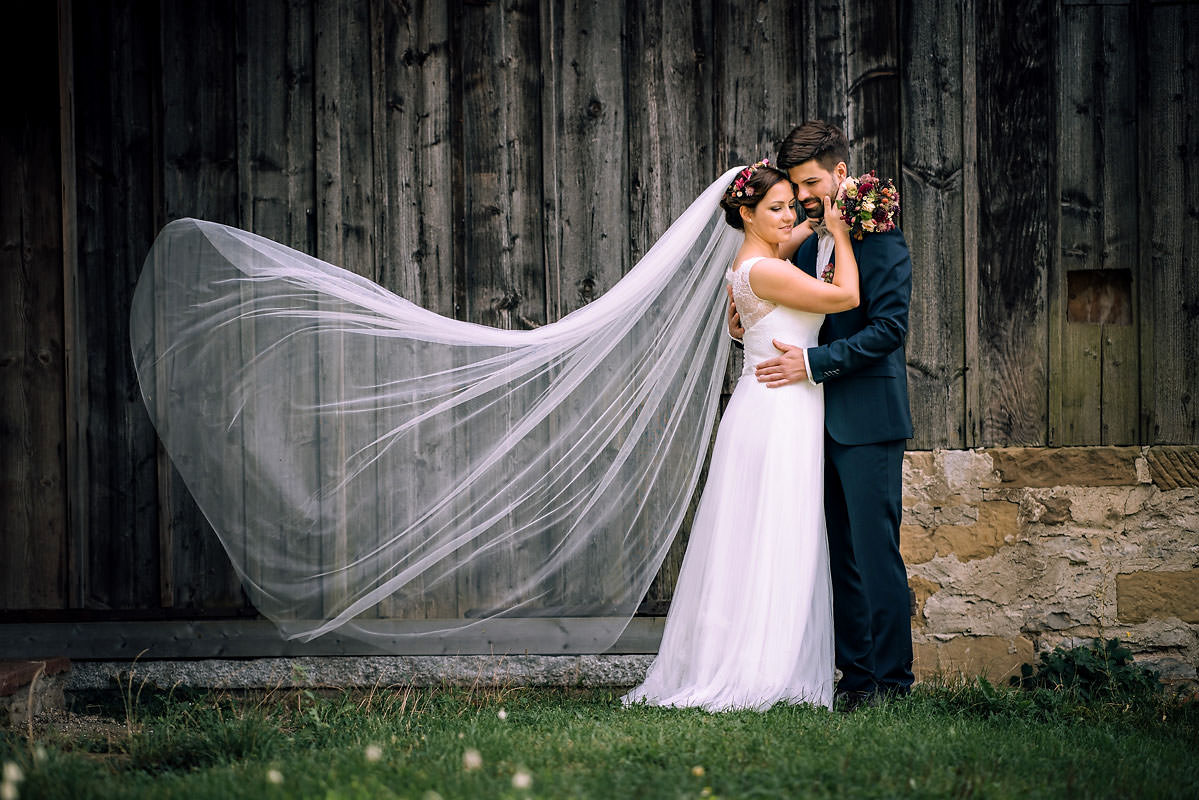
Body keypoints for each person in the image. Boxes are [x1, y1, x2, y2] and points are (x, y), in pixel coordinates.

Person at [623, 158, 862, 712]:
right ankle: (757, 669)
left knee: (765, 536)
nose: (788, 216)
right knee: (771, 535)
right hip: (777, 413)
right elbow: (846, 297)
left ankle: (765, 659)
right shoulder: (765, 270)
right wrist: (844, 236)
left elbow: (799, 233)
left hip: (777, 406)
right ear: (747, 214)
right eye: (775, 208)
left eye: (790, 205)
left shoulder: (757, 260)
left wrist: (825, 211)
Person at [728, 121, 915, 709]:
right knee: (839, 557)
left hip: (867, 419)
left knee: (875, 553)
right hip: (808, 421)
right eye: (796, 186)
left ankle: (892, 683)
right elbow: (786, 305)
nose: (804, 197)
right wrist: (748, 322)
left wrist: (812, 363)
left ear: (840, 173)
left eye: (811, 184)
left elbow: (889, 329)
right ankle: (855, 679)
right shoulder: (808, 244)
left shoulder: (879, 237)